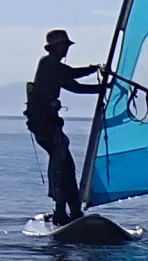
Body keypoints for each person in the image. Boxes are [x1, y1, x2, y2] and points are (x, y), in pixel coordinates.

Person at [27, 29, 108, 224]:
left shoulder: (55, 66)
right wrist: (100, 89)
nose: (66, 50)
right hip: (45, 126)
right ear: (54, 47)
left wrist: (93, 69)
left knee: (67, 167)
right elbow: (73, 84)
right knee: (61, 167)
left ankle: (73, 210)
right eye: (63, 46)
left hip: (49, 125)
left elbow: (70, 73)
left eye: (67, 46)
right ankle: (61, 211)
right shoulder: (47, 63)